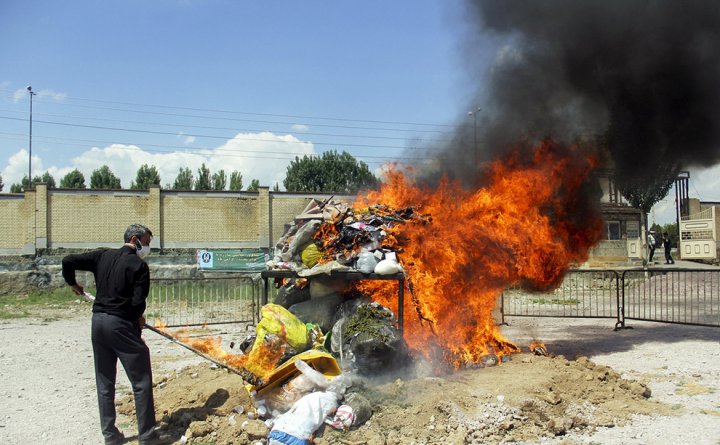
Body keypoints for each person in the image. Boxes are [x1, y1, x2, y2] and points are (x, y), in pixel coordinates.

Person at [62, 223, 162, 445]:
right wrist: (138, 321)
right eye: (146, 243)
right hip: (120, 325)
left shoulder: (102, 255)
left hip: (98, 323)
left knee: (105, 381)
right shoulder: (139, 266)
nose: (147, 248)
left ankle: (110, 435)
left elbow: (68, 260)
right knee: (141, 381)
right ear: (135, 240)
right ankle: (147, 436)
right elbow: (137, 303)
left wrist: (73, 284)